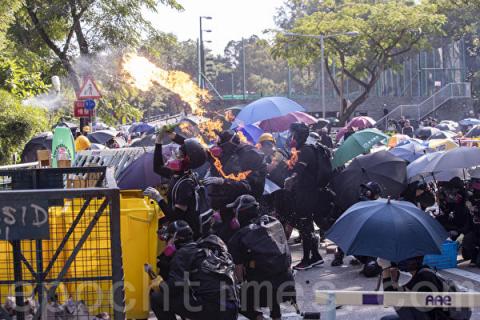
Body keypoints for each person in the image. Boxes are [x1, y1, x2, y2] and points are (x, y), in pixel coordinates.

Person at [150, 220, 238, 320]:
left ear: (176, 238)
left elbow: (174, 287)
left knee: (157, 297)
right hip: (231, 309)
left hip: (213, 309)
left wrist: (160, 284)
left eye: (168, 238)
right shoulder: (204, 250)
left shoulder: (183, 253)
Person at [227, 195, 295, 320]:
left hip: (263, 289)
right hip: (288, 283)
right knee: (269, 275)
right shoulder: (273, 223)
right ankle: (276, 316)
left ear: (240, 213)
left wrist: (240, 286)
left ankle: (259, 318)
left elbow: (239, 272)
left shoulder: (238, 237)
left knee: (235, 301)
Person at [145, 128, 209, 239]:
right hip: (180, 231)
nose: (174, 155)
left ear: (185, 160)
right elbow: (158, 167)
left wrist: (158, 198)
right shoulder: (178, 175)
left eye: (178, 154)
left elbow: (175, 216)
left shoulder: (185, 184)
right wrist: (159, 141)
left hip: (189, 237)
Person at [205, 130, 267, 243]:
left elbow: (246, 186)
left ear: (228, 145)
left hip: (244, 206)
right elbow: (201, 152)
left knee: (235, 240)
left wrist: (224, 182)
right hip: (229, 204)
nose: (218, 147)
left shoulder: (246, 156)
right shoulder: (229, 155)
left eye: (221, 144)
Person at [379, 256, 471, 320]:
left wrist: (385, 269)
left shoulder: (424, 278)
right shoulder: (424, 272)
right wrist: (394, 279)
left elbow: (390, 298)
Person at [284, 122, 324, 270]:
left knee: (305, 228)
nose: (290, 137)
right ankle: (316, 256)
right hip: (306, 193)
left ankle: (307, 260)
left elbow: (298, 172)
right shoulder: (305, 149)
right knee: (306, 227)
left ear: (299, 136)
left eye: (292, 134)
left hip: (306, 195)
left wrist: (290, 179)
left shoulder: (306, 150)